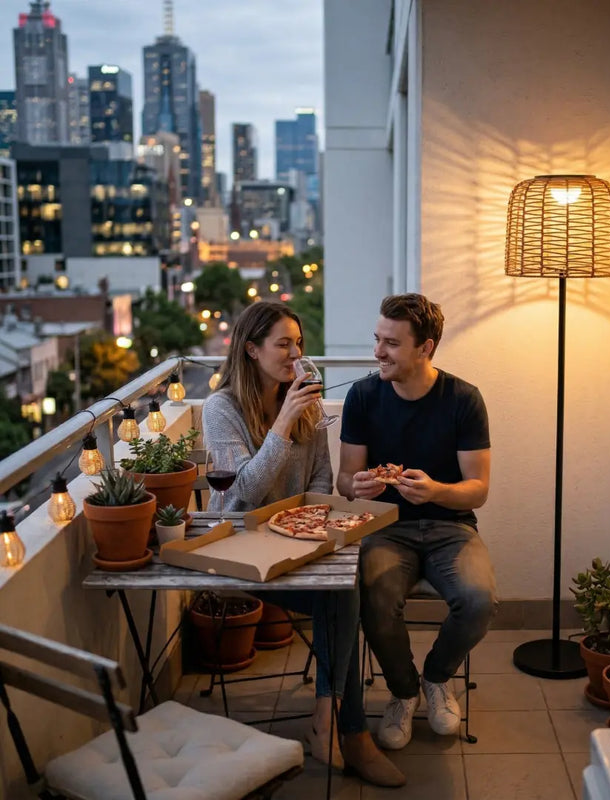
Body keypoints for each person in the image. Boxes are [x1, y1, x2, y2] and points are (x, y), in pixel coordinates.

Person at [201, 301, 405, 788]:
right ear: (251, 350)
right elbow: (240, 495)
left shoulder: (308, 405)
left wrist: (303, 522)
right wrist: (281, 427)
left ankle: (328, 717)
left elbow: (319, 489)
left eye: (299, 343)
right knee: (343, 597)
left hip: (296, 542)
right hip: (241, 551)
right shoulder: (221, 408)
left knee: (345, 587)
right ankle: (345, 729)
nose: (296, 353)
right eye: (283, 344)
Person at [337, 293, 497, 751]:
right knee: (375, 597)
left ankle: (436, 678)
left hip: (452, 528)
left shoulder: (463, 398)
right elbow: (346, 480)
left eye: (391, 343)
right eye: (376, 339)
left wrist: (437, 492)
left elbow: (478, 490)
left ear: (425, 348)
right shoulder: (364, 396)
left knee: (479, 601)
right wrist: (359, 485)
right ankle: (403, 691)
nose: (377, 352)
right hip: (385, 527)